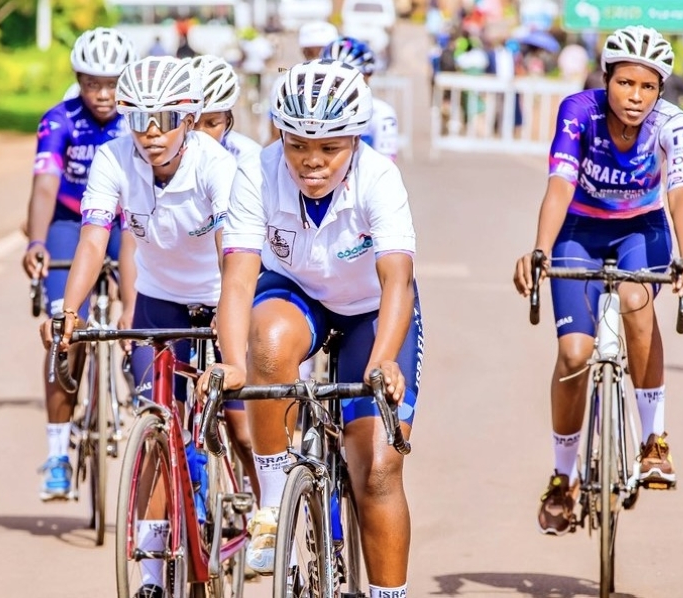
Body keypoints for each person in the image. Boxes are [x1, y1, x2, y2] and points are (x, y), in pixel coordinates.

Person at [199, 59, 423, 598]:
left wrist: (384, 360)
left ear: (354, 140)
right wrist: (233, 362)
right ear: (279, 134)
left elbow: (397, 278)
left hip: (371, 310)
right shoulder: (259, 170)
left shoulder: (379, 176)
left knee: (378, 470)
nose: (312, 161)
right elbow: (238, 277)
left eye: (329, 148)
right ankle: (273, 505)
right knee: (267, 343)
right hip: (298, 296)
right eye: (299, 145)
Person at [40, 55, 239, 598]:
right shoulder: (113, 158)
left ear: (190, 120)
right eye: (139, 120)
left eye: (165, 120)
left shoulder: (215, 164)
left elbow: (232, 253)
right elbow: (91, 239)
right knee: (154, 427)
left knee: (242, 425)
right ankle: (151, 574)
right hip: (159, 300)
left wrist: (230, 328)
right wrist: (69, 311)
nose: (150, 134)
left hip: (220, 294)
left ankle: (255, 505)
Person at [512, 26, 683, 536]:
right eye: (625, 84)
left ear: (660, 89)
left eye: (647, 86)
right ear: (607, 80)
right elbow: (560, 182)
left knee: (638, 303)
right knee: (575, 353)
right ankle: (562, 475)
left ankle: (654, 442)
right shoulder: (579, 112)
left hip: (642, 228)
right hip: (581, 227)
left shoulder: (673, 124)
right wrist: (540, 248)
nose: (635, 97)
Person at [22, 27, 138, 501]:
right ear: (78, 79)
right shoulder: (60, 119)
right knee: (64, 333)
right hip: (73, 222)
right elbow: (46, 183)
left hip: (125, 223)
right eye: (93, 82)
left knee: (140, 311)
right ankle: (56, 454)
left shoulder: (138, 120)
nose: (104, 93)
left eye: (112, 82)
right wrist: (35, 240)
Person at [192, 53, 262, 494]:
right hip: (180, 290)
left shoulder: (250, 160)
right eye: (193, 123)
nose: (202, 135)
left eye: (213, 123)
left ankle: (267, 511)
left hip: (235, 288)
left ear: (230, 120)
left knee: (242, 428)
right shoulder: (164, 156)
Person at [322, 36, 400, 161]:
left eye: (351, 78)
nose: (340, 83)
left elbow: (385, 163)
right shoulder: (311, 108)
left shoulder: (381, 113)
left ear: (367, 77)